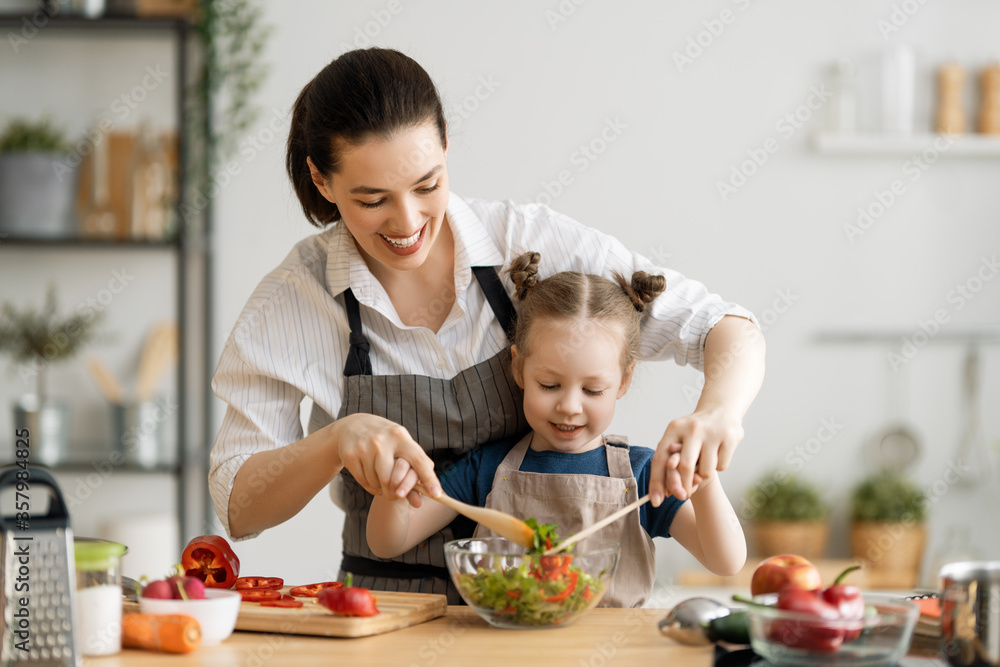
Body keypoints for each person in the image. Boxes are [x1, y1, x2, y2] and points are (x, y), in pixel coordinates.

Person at [209, 47, 765, 602]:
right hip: (382, 613)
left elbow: (725, 327)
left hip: (530, 619)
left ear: (446, 145)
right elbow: (239, 504)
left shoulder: (523, 240)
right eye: (373, 199)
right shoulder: (294, 297)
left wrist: (717, 414)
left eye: (428, 184)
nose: (407, 223)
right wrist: (335, 441)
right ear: (322, 182)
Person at [366, 252, 747, 607]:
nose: (569, 406)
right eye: (549, 385)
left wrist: (704, 478)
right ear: (519, 369)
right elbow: (388, 542)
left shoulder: (642, 475)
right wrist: (391, 489)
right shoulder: (487, 468)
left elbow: (726, 561)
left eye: (593, 390)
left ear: (624, 381)